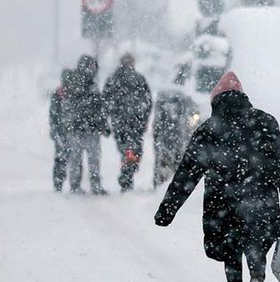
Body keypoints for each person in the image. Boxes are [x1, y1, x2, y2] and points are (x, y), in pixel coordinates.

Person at [155, 71, 280, 282]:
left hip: (223, 200)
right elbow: (278, 159)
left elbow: (186, 174)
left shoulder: (209, 130)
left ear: (215, 101)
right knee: (255, 244)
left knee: (231, 249)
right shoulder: (264, 121)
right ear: (243, 97)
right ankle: (256, 280)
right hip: (260, 197)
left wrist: (167, 210)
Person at [103, 53, 153, 192]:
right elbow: (106, 101)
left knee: (131, 152)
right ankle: (126, 178)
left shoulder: (137, 79)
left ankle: (127, 175)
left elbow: (147, 100)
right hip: (124, 123)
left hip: (132, 123)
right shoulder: (117, 79)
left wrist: (143, 118)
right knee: (129, 151)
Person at [62, 55, 108, 195]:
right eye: (91, 66)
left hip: (81, 129)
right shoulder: (81, 84)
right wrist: (99, 122)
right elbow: (95, 107)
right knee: (88, 159)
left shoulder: (86, 84)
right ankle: (84, 186)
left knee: (81, 159)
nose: (93, 70)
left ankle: (79, 186)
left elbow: (97, 107)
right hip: (82, 129)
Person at [152, 64, 198, 188]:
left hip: (174, 134)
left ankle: (166, 183)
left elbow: (192, 110)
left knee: (169, 159)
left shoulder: (178, 94)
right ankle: (167, 183)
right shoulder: (175, 94)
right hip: (173, 134)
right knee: (170, 160)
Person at [49, 68, 72, 191]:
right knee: (61, 158)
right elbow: (53, 114)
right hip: (62, 132)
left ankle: (67, 184)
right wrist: (55, 130)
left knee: (67, 159)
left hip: (71, 131)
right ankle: (58, 183)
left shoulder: (73, 93)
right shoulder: (58, 94)